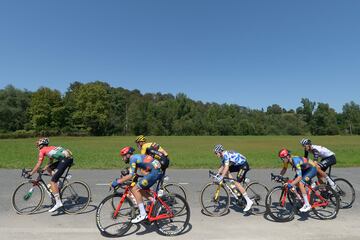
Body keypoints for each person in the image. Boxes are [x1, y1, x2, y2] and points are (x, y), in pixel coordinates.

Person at [112, 146, 162, 223]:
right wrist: (124, 180)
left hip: (154, 172)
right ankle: (156, 203)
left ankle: (143, 214)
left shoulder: (132, 159)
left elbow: (131, 175)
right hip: (155, 171)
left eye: (123, 156)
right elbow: (134, 174)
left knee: (135, 189)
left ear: (128, 155)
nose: (123, 159)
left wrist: (118, 181)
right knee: (140, 190)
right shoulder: (135, 157)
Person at [27, 138, 74, 213]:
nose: (38, 146)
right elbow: (50, 162)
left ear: (41, 145)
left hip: (65, 160)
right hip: (67, 159)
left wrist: (31, 173)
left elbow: (38, 164)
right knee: (49, 168)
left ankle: (58, 202)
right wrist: (43, 170)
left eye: (38, 145)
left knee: (53, 182)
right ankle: (58, 181)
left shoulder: (42, 151)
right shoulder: (50, 148)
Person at [213, 144, 253, 212]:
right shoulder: (223, 156)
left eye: (216, 153)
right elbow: (222, 166)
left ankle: (249, 201)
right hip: (238, 165)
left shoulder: (225, 155)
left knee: (237, 182)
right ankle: (233, 186)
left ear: (219, 152)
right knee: (226, 172)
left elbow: (226, 167)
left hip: (243, 165)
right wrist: (217, 174)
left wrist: (221, 176)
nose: (215, 155)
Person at [278, 148, 317, 212]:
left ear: (287, 156)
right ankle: (306, 193)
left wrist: (290, 184)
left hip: (312, 168)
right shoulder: (287, 160)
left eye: (283, 158)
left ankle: (307, 205)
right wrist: (279, 176)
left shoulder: (295, 160)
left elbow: (299, 177)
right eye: (281, 158)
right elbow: (284, 168)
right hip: (305, 169)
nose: (282, 159)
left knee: (300, 183)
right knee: (295, 183)